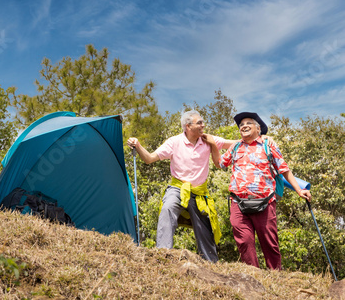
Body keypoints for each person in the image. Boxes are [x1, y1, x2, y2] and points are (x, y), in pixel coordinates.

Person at [127, 110, 238, 262]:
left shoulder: (208, 140)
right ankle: (162, 254)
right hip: (178, 188)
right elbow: (149, 159)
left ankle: (211, 263)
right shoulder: (174, 142)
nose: (203, 125)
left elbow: (235, 143)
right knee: (168, 207)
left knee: (205, 224)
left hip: (199, 191)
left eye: (202, 122)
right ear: (187, 126)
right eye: (199, 123)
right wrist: (138, 146)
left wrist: (261, 138)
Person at [209, 112, 311, 270]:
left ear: (258, 129)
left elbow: (284, 169)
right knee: (244, 242)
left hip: (265, 202)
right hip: (238, 202)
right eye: (241, 124)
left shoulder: (267, 145)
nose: (244, 126)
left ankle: (276, 277)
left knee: (269, 243)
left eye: (248, 123)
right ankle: (253, 276)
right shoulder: (236, 147)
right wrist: (212, 145)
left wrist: (299, 190)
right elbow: (220, 164)